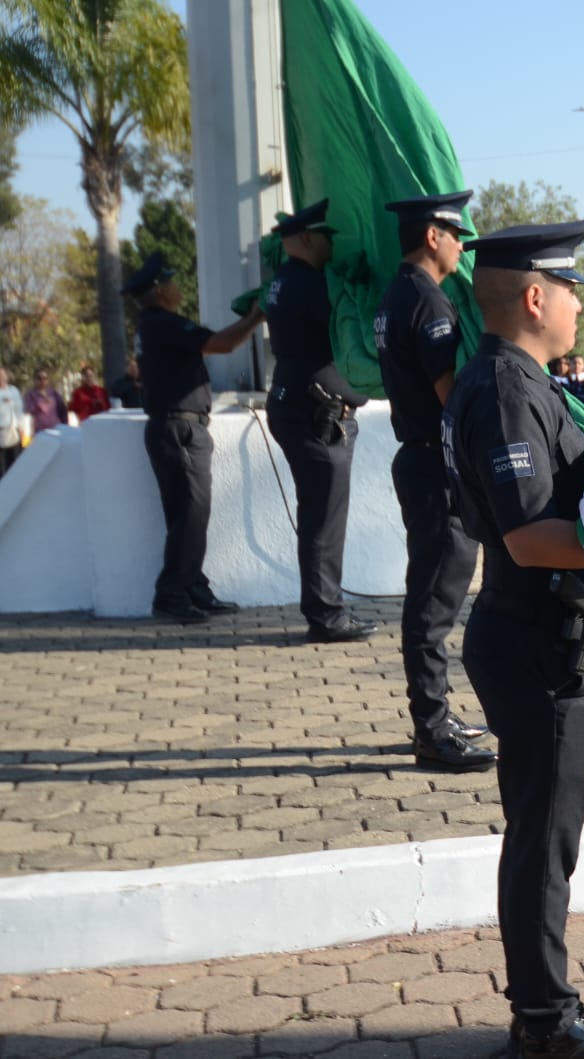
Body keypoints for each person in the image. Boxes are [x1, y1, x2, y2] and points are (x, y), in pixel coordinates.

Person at [441, 221, 584, 1059]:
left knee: (543, 836)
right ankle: (545, 1021)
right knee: (542, 841)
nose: (576, 306)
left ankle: (545, 1008)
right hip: (538, 644)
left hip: (546, 636)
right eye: (570, 290)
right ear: (535, 296)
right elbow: (529, 536)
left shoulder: (520, 380)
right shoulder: (504, 390)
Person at [374, 191, 495, 774]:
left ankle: (435, 714)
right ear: (432, 236)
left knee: (431, 592)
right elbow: (450, 397)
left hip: (415, 458)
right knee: (434, 600)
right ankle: (431, 727)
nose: (460, 246)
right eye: (455, 234)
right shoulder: (429, 302)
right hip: (434, 464)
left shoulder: (397, 294)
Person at [124, 250, 265, 624]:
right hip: (179, 428)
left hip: (174, 426)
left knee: (187, 515)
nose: (177, 285)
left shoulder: (152, 325)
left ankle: (192, 587)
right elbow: (222, 344)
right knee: (191, 514)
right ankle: (171, 594)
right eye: (170, 279)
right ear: (158, 290)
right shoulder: (163, 323)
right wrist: (255, 318)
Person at [263, 199, 377, 643]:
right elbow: (343, 332)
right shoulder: (311, 286)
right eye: (327, 237)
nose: (332, 246)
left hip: (297, 403)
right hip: (315, 412)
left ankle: (324, 609)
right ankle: (326, 616)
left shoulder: (281, 282)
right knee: (324, 520)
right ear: (307, 239)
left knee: (318, 516)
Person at [0, 367, 21, 476]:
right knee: (3, 468)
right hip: (1, 433)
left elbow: (19, 410)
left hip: (13, 431)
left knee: (16, 465)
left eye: (3, 375)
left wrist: (20, 427)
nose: (1, 378)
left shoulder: (14, 391)